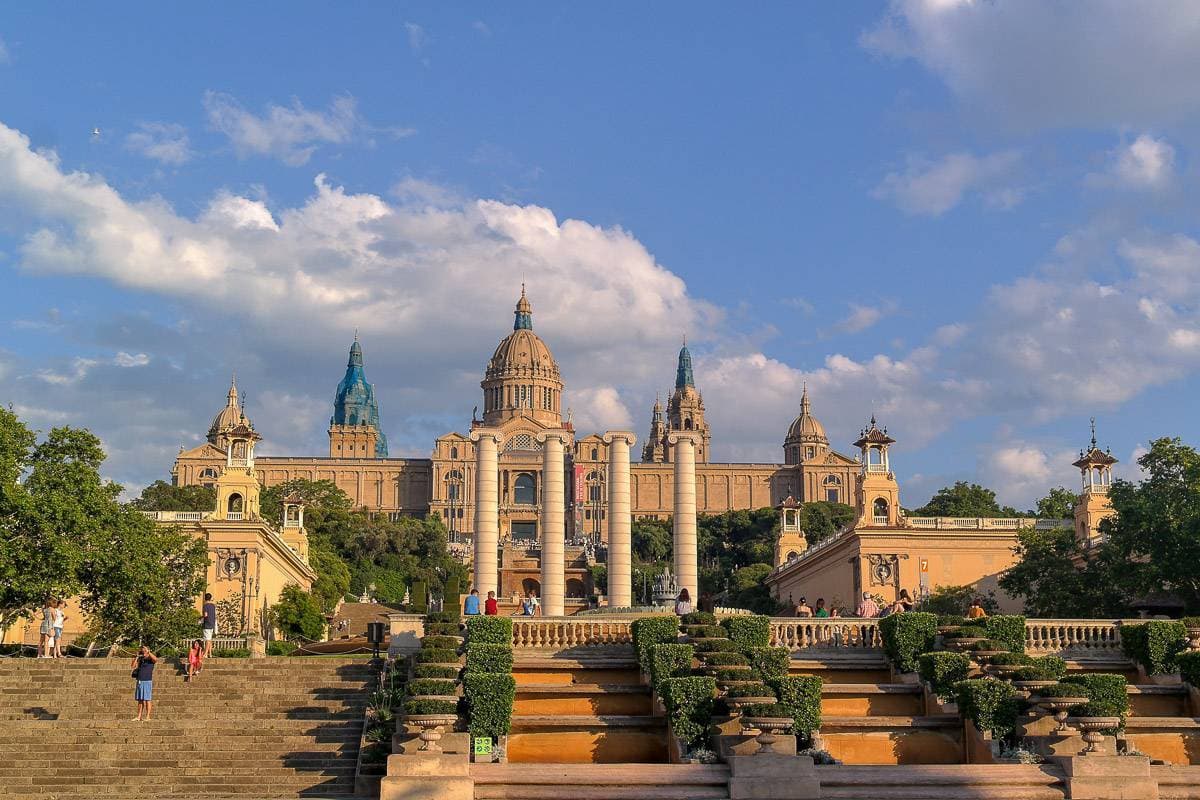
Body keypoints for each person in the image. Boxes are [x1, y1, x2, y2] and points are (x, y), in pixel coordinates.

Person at [130, 645, 157, 721]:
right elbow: (132, 666)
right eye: (143, 650)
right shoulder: (141, 658)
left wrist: (148, 652)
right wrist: (137, 657)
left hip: (147, 680)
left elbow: (155, 659)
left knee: (147, 699)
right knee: (140, 699)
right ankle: (139, 716)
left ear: (148, 650)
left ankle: (148, 716)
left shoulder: (150, 659)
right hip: (140, 680)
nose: (143, 651)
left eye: (145, 650)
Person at [201, 592, 217, 659]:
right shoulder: (213, 606)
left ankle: (205, 653)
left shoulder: (205, 605)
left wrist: (200, 619)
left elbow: (205, 615)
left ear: (205, 598)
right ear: (211, 598)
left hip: (207, 623)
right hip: (212, 623)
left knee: (207, 640)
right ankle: (210, 654)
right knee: (210, 639)